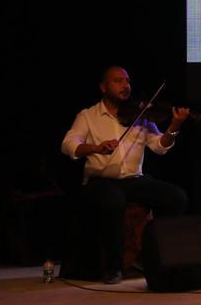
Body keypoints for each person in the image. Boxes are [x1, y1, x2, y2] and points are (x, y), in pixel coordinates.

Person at [61, 66, 189, 284]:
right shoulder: (88, 116)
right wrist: (95, 147)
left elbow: (160, 146)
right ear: (103, 87)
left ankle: (159, 256)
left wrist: (174, 126)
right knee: (113, 201)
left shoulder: (140, 115)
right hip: (101, 180)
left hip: (134, 180)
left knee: (177, 197)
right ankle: (114, 267)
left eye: (127, 81)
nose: (125, 85)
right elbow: (68, 144)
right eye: (118, 81)